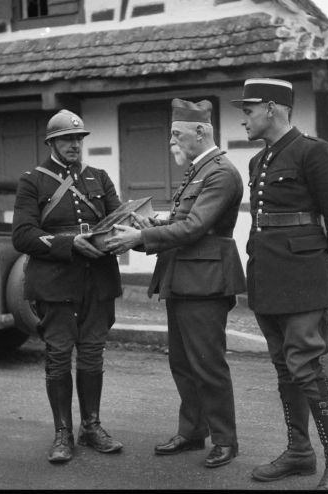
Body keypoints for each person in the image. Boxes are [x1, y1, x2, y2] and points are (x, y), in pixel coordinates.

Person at [105, 98, 246, 468]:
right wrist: (149, 225)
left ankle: (225, 440)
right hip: (184, 277)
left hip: (205, 281)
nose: (173, 142)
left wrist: (140, 240)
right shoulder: (201, 169)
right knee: (183, 362)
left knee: (207, 363)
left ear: (200, 132)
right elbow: (184, 219)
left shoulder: (221, 173)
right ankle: (192, 431)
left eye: (178, 134)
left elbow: (196, 227)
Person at [231, 79, 328, 490]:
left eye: (249, 110)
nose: (244, 118)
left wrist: (327, 272)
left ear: (272, 108)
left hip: (304, 278)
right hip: (269, 278)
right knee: (286, 368)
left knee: (305, 367)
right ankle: (299, 453)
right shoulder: (258, 162)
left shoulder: (313, 152)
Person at [12, 109, 123, 463]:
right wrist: (68, 245)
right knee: (59, 355)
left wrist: (128, 229)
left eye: (79, 138)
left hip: (99, 280)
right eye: (67, 139)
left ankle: (91, 427)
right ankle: (63, 433)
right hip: (56, 284)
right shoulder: (33, 181)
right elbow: (23, 235)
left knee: (92, 353)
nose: (75, 144)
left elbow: (116, 219)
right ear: (52, 143)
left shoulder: (100, 178)